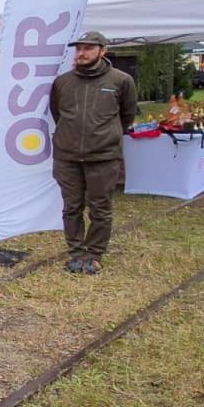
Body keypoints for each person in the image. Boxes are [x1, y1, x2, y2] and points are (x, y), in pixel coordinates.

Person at [49, 30, 137, 276]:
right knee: (71, 207)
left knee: (100, 207)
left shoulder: (121, 81)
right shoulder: (63, 82)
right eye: (79, 48)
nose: (82, 53)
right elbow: (58, 113)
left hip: (103, 156)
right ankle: (76, 253)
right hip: (67, 156)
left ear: (103, 51)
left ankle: (94, 254)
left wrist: (105, 136)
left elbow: (127, 115)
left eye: (88, 48)